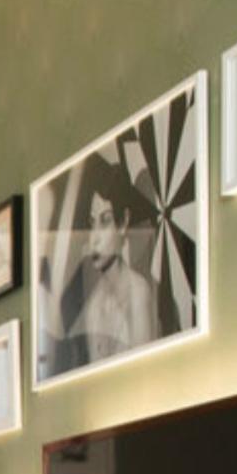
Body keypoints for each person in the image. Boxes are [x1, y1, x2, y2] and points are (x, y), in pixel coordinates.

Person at [74, 155, 156, 361]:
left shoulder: (138, 293)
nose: (94, 238)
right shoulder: (93, 306)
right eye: (92, 223)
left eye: (105, 221)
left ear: (123, 222)